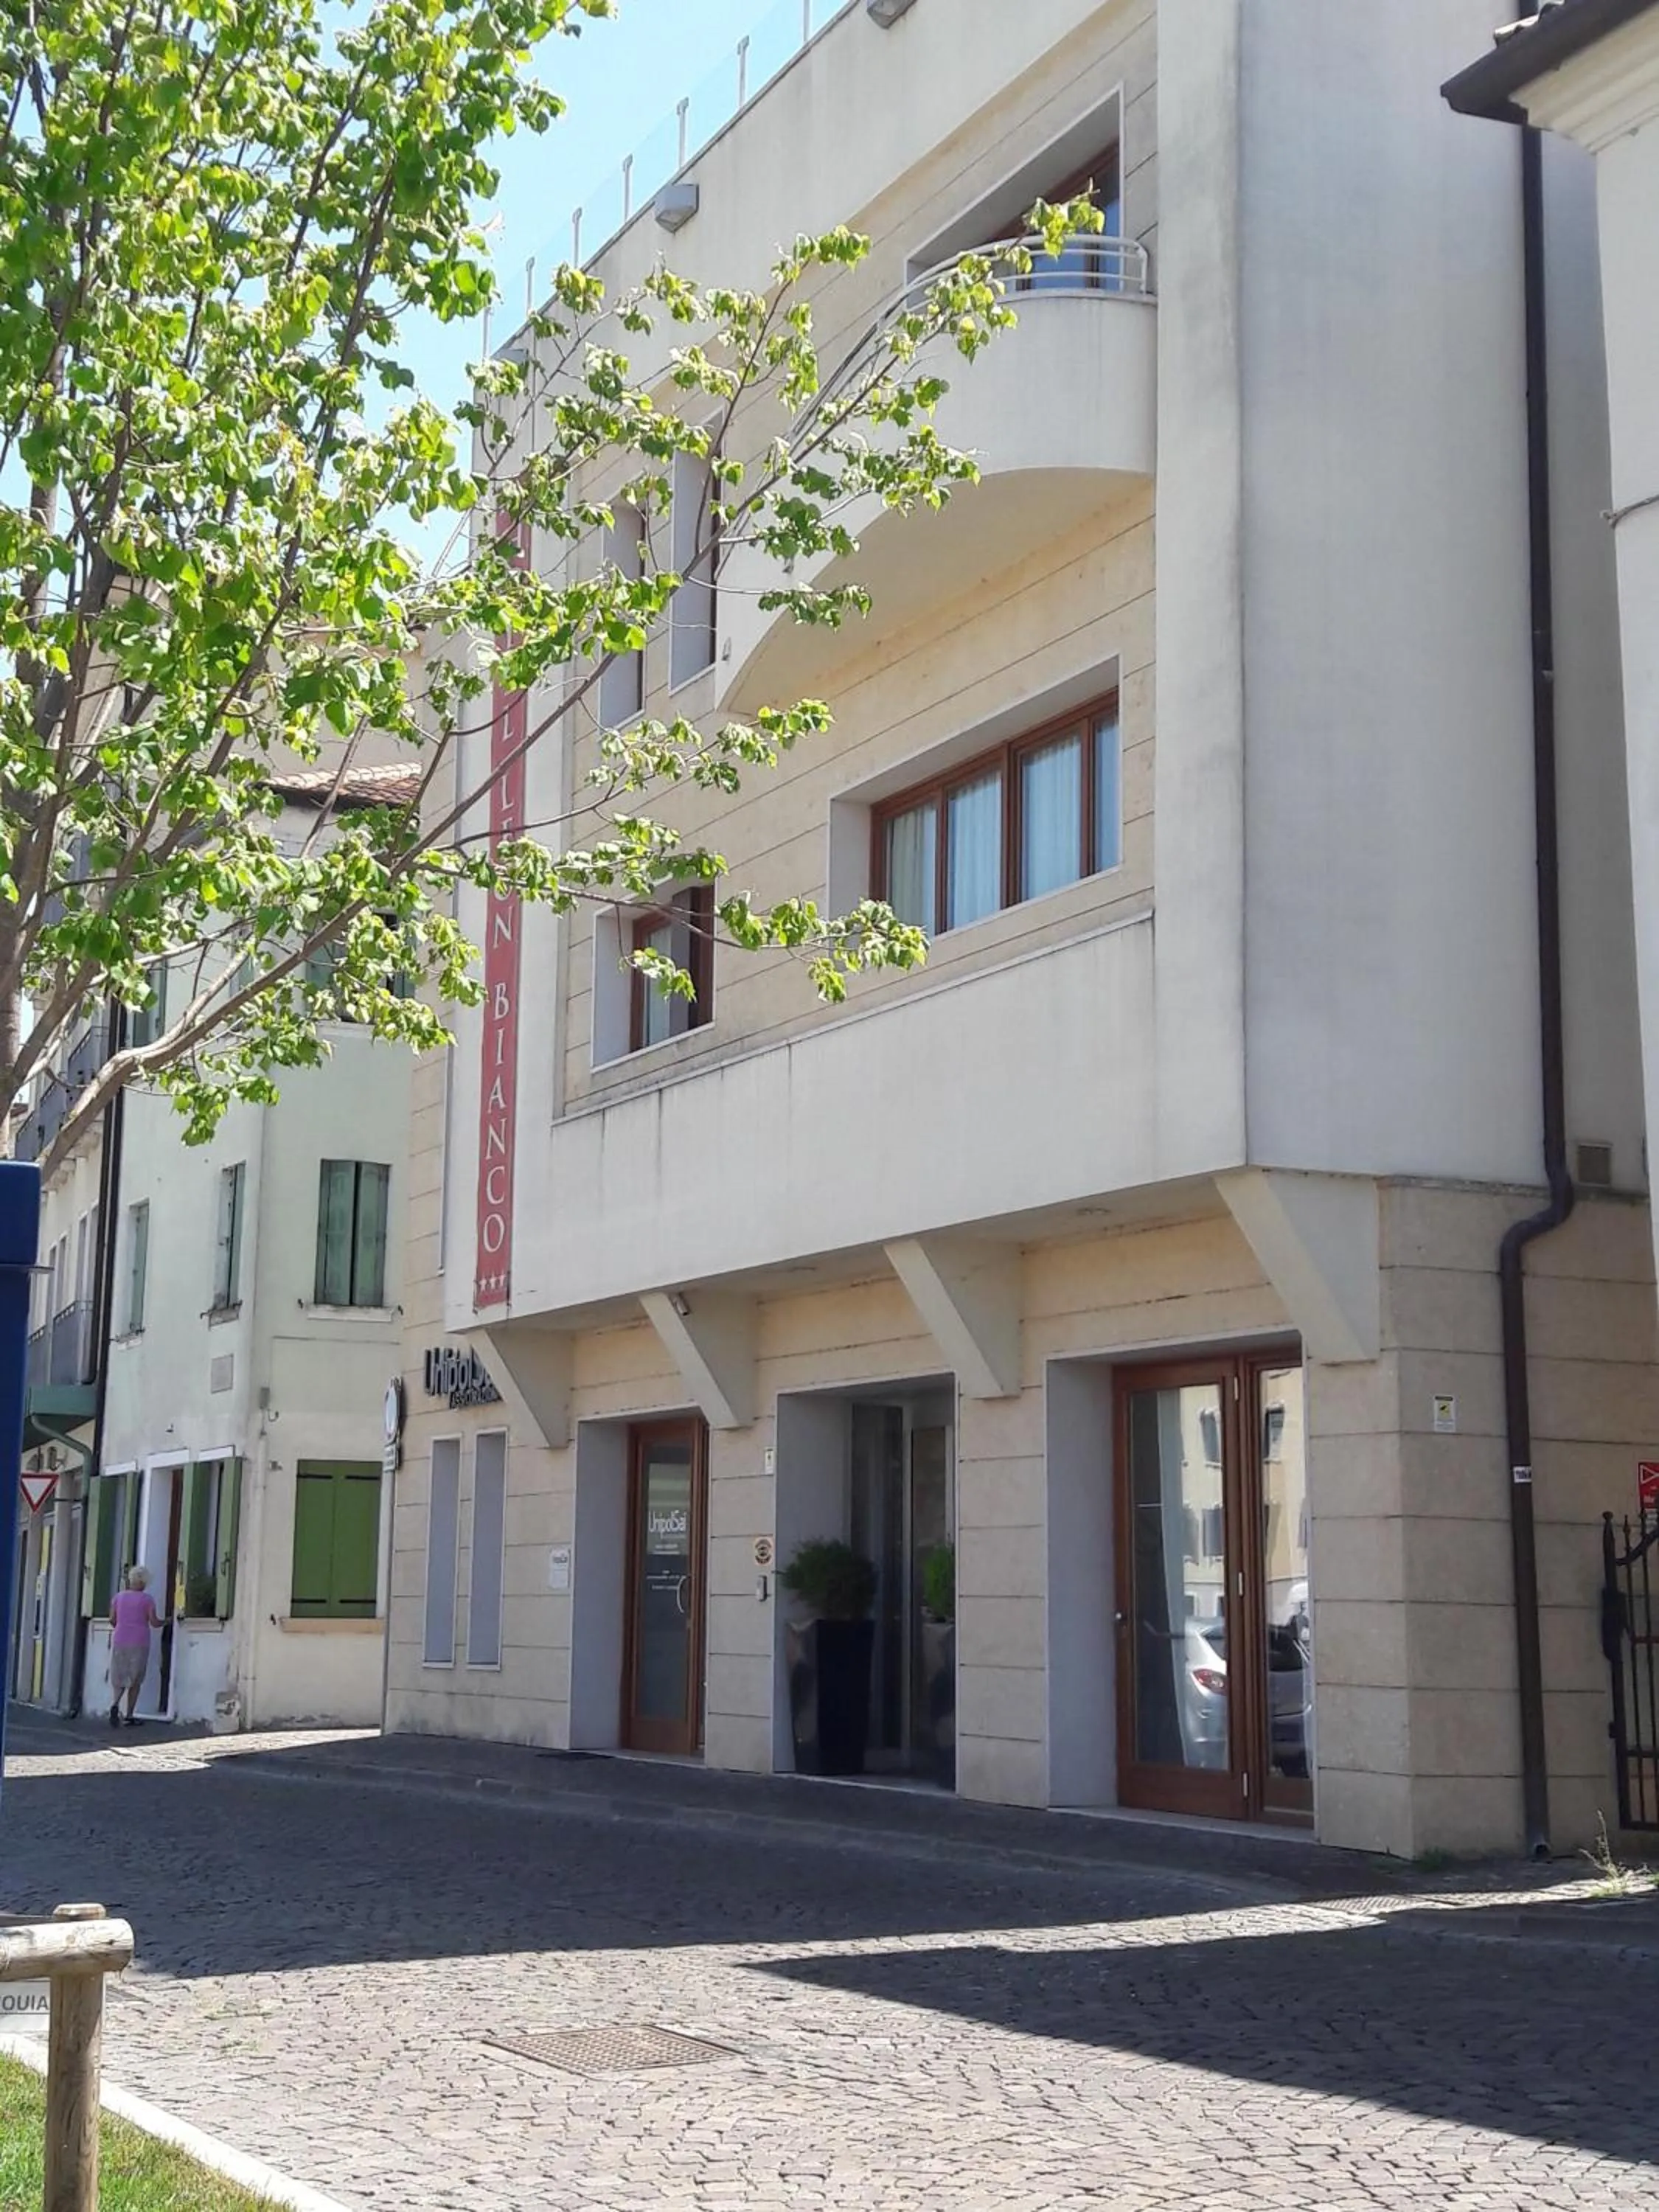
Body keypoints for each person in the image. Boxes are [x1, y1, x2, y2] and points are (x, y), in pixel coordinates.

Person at [108, 1565, 164, 1728]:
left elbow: (112, 1619)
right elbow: (154, 1622)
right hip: (139, 1641)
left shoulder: (118, 1598)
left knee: (119, 1675)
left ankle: (115, 1703)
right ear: (143, 1582)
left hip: (120, 1639)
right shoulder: (147, 1600)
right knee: (135, 1678)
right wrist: (166, 1622)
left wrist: (122, 1626)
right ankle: (129, 1714)